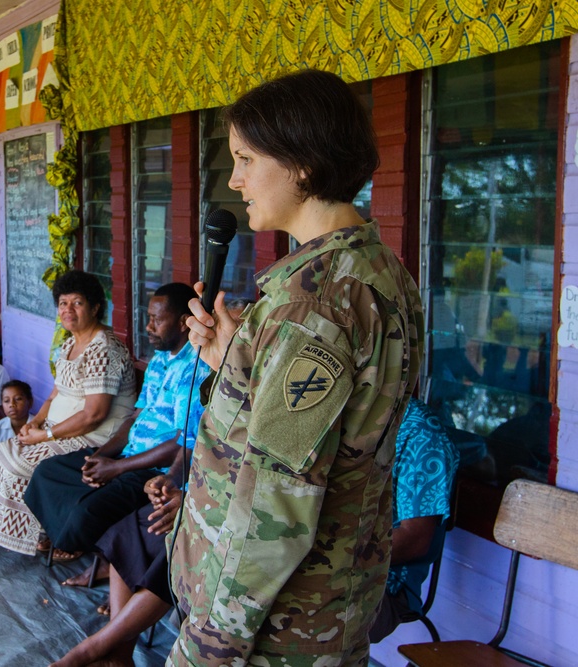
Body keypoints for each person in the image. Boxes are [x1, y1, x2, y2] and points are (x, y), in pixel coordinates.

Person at [168, 70, 424, 666]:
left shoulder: (312, 305)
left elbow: (273, 506)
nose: (235, 180)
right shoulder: (378, 270)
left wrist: (210, 647)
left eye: (246, 158)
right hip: (327, 612)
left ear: (303, 164)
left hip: (271, 634)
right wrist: (232, 360)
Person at [26, 282, 204, 561]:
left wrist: (118, 468)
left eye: (157, 320)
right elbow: (133, 417)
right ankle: (70, 537)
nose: (148, 327)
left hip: (153, 469)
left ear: (183, 322)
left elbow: (182, 443)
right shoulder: (159, 360)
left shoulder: (197, 367)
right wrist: (100, 457)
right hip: (125, 456)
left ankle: (82, 547)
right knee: (47, 472)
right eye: (148, 318)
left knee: (86, 509)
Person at [0, 270, 137, 555]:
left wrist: (44, 435)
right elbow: (55, 394)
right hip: (60, 428)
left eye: (77, 303)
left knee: (19, 466)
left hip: (97, 438)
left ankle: (50, 533)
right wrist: (34, 422)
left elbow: (94, 415)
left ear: (95, 307)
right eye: (62, 303)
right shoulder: (70, 342)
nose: (67, 310)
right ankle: (33, 530)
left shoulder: (104, 348)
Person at [51, 452, 190, 667]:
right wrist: (169, 481)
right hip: (186, 496)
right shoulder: (209, 418)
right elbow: (189, 446)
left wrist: (193, 500)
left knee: (174, 552)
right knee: (128, 531)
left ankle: (95, 647)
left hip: (221, 512)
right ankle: (121, 655)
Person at [370, 399, 459, 642]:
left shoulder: (422, 434)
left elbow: (415, 540)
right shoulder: (343, 417)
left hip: (384, 588)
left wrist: (336, 562)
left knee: (290, 619)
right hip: (331, 572)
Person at [0, 381, 33, 448]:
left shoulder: (40, 426)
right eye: (6, 401)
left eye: (18, 399)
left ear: (30, 402)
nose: (12, 404)